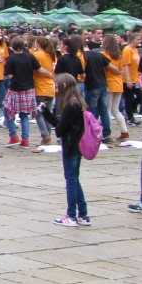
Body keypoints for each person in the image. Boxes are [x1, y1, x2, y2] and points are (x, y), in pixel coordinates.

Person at [40, 73, 90, 226]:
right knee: (74, 178)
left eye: (57, 86)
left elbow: (60, 129)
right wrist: (46, 113)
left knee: (71, 180)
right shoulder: (78, 101)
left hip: (71, 145)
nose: (55, 90)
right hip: (77, 145)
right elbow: (61, 124)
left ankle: (71, 215)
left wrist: (49, 116)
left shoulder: (70, 104)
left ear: (63, 86)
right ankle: (83, 215)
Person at [4, 35, 43, 148]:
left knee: (7, 111)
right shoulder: (30, 56)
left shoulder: (10, 58)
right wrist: (50, 75)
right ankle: (25, 140)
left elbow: (10, 76)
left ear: (12, 47)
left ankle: (13, 136)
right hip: (29, 88)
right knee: (24, 115)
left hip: (15, 89)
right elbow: (39, 69)